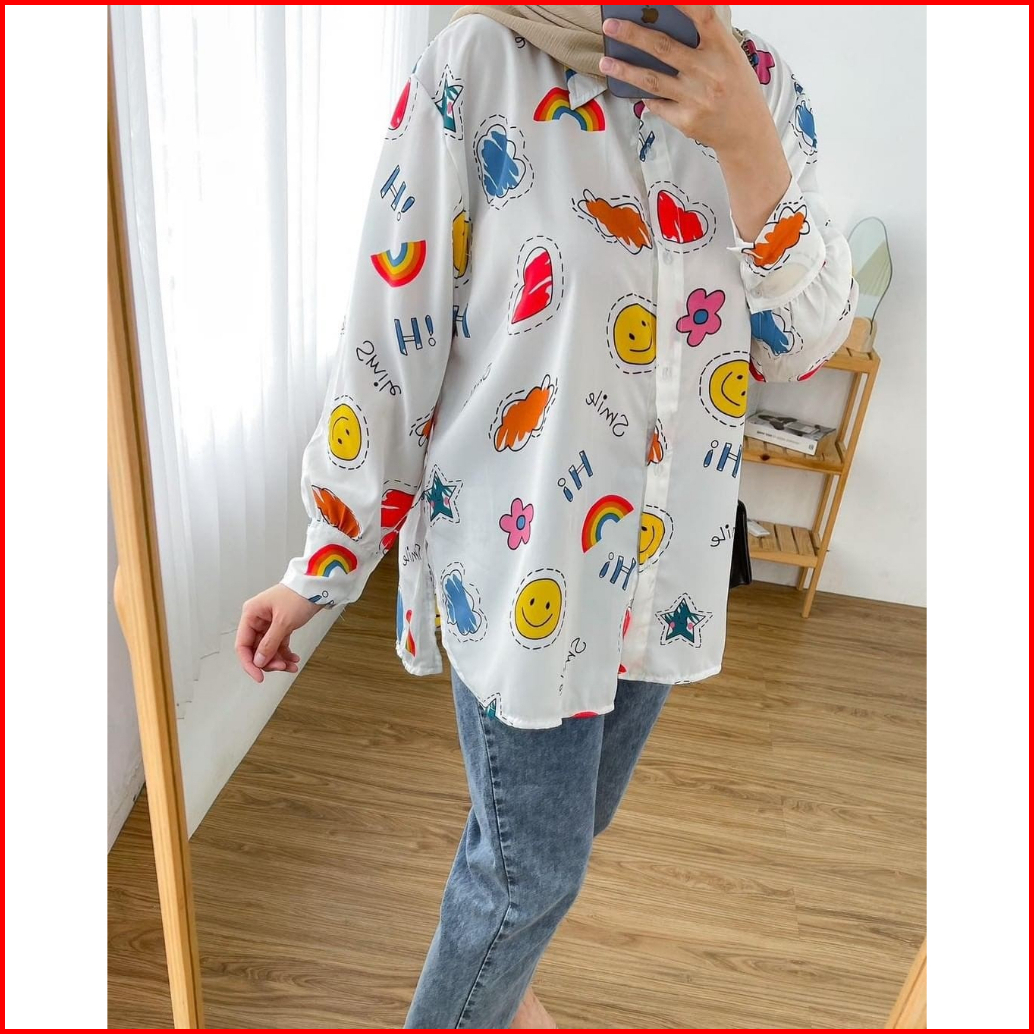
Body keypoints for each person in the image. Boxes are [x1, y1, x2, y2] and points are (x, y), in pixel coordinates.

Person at [235, 5, 857, 1027]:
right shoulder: (479, 66)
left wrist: (747, 142)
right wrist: (324, 560)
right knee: (528, 873)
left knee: (559, 828)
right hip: (523, 570)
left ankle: (505, 992)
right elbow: (391, 336)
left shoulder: (766, 90)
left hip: (663, 572)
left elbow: (800, 341)